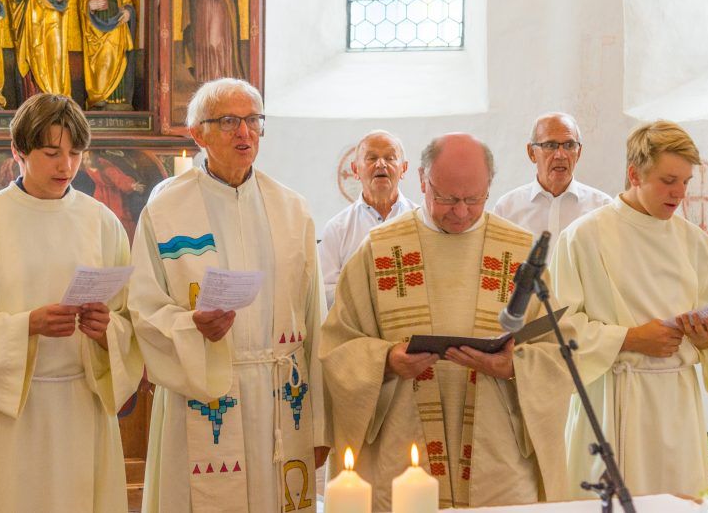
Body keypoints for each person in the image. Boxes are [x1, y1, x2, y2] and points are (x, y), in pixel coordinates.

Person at [320, 133, 578, 511]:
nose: (460, 211)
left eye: (473, 199)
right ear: (423, 181)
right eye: (446, 198)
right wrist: (387, 360)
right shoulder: (377, 250)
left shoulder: (521, 252)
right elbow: (338, 346)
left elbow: (560, 351)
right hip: (403, 446)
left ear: (489, 187)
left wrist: (513, 365)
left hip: (498, 457)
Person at [0, 93, 143, 512]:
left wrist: (107, 332)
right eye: (51, 153)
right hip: (15, 412)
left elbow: (127, 320)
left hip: (82, 407)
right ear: (19, 151)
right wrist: (27, 324)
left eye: (75, 153)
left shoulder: (102, 223)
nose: (66, 166)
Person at [129, 78, 327, 513]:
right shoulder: (165, 211)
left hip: (283, 396)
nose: (245, 132)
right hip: (203, 389)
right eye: (230, 121)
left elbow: (316, 317)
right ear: (198, 134)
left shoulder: (292, 208)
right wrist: (189, 326)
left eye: (254, 120)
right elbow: (142, 308)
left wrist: (320, 426)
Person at [552, 120, 708, 498]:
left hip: (677, 407)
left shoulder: (698, 245)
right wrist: (631, 339)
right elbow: (559, 331)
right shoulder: (584, 237)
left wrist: (706, 341)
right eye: (668, 181)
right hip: (614, 402)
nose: (679, 193)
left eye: (686, 182)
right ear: (633, 173)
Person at [318, 130, 417, 310]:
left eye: (390, 158)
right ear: (355, 169)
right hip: (358, 331)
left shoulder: (420, 220)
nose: (381, 164)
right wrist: (369, 295)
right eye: (371, 158)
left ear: (404, 168)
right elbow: (324, 292)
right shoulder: (337, 228)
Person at [493, 112, 611, 240]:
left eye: (569, 145)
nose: (561, 155)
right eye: (550, 145)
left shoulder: (602, 208)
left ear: (579, 152)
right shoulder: (506, 209)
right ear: (531, 152)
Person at [79, 0, 136, 110]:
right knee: (100, 61)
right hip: (96, 28)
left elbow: (128, 4)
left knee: (114, 58)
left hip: (116, 27)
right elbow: (82, 2)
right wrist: (89, 5)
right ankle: (99, 96)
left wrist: (127, 12)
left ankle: (116, 99)